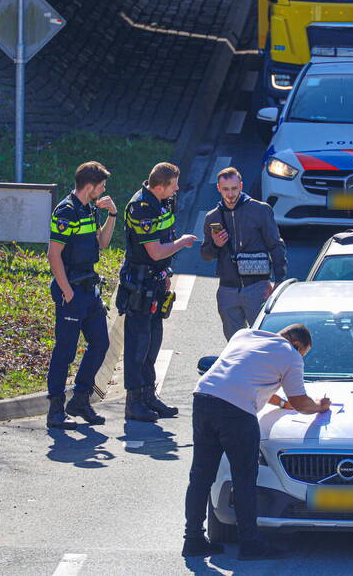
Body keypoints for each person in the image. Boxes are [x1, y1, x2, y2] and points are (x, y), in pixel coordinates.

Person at [182, 324, 330, 560]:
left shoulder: (244, 335)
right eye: (303, 353)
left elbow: (244, 376)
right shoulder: (291, 356)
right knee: (244, 478)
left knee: (200, 476)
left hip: (204, 398)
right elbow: (301, 402)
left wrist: (281, 403)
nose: (300, 357)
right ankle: (250, 545)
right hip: (237, 412)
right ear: (297, 345)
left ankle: (193, 541)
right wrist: (318, 407)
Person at [118, 162, 198, 422]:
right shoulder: (142, 208)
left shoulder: (162, 202)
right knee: (138, 345)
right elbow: (156, 251)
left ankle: (149, 397)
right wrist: (182, 243)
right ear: (161, 186)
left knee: (153, 341)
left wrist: (166, 275)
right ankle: (134, 402)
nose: (177, 188)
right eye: (174, 184)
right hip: (140, 284)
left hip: (155, 281)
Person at [45, 161, 117, 429]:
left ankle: (81, 399)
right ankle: (55, 410)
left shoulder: (89, 208)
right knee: (65, 351)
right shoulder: (66, 211)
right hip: (72, 290)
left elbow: (102, 243)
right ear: (90, 186)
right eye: (102, 186)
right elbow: (54, 255)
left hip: (89, 289)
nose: (104, 189)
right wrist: (67, 292)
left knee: (100, 343)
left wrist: (112, 215)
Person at [201, 167, 287, 341]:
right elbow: (206, 255)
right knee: (234, 344)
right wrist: (216, 245)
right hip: (227, 289)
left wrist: (279, 280)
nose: (230, 194)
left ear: (241, 186)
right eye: (225, 189)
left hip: (257, 286)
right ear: (219, 189)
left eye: (234, 188)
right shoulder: (213, 217)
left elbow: (276, 245)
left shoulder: (260, 210)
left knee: (263, 341)